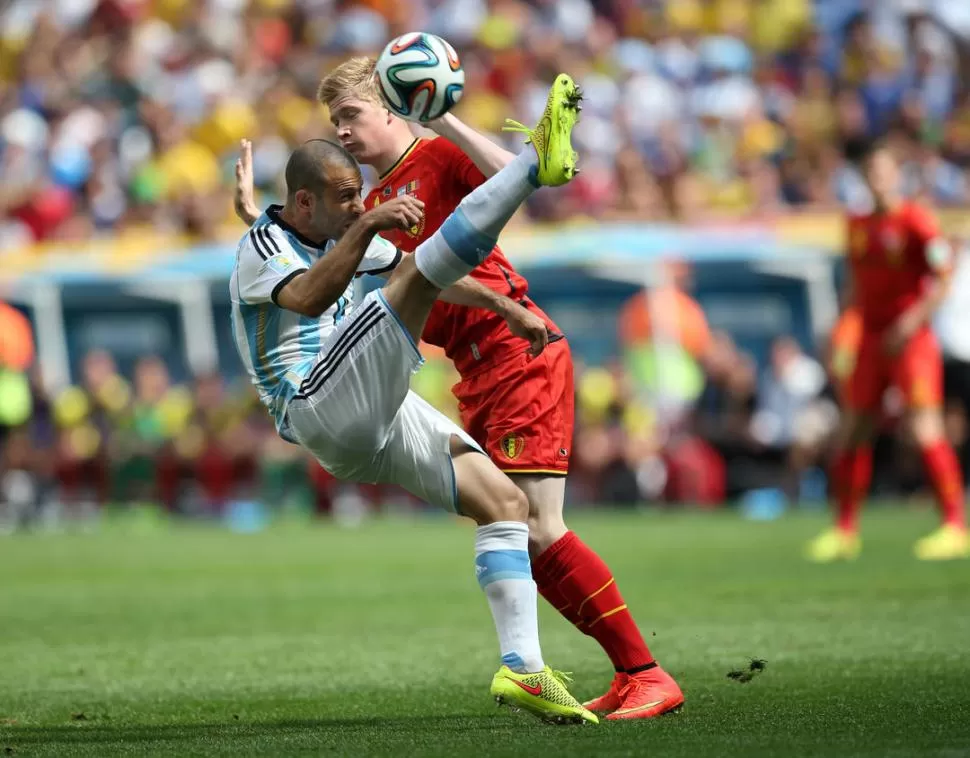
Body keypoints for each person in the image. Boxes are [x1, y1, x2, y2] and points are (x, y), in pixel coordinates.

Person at [234, 61, 683, 720]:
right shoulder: (318, 226)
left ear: (391, 108)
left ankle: (530, 671)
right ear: (307, 202)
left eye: (350, 115)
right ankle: (639, 670)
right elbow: (307, 288)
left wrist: (507, 307)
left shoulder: (430, 159)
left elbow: (422, 258)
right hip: (319, 403)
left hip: (492, 365)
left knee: (506, 507)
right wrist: (354, 221)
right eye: (335, 125)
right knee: (538, 526)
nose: (344, 132)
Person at [806, 143, 968, 562]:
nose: (876, 180)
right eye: (870, 173)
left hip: (910, 340)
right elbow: (854, 287)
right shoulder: (857, 224)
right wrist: (844, 329)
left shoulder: (916, 220)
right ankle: (845, 531)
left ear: (897, 175)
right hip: (870, 340)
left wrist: (911, 323)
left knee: (923, 428)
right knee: (853, 429)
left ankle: (954, 525)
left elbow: (943, 278)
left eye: (882, 172)